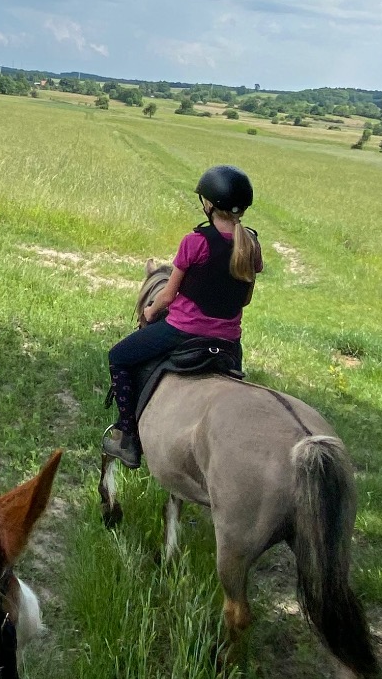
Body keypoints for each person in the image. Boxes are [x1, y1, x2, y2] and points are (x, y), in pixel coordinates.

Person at [102, 164, 264, 468]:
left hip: (183, 331)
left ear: (209, 204)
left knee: (119, 357)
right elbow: (246, 298)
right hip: (229, 341)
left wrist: (149, 312)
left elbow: (167, 295)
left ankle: (127, 436)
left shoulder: (195, 242)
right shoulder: (252, 245)